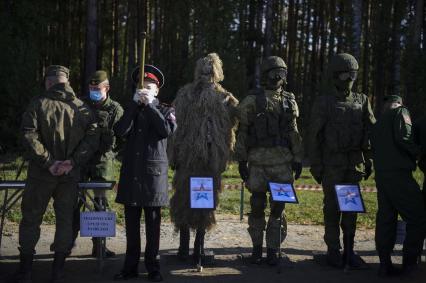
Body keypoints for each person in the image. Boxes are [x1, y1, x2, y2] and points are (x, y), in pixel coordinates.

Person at [15, 65, 99, 283]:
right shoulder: (82, 108)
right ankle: (58, 271)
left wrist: (49, 162)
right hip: (69, 176)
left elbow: (28, 135)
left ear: (49, 82)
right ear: (66, 82)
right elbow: (92, 140)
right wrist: (72, 162)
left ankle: (25, 272)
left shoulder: (38, 104)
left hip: (41, 175)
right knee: (64, 221)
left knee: (31, 219)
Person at [168, 53, 238, 264]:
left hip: (203, 162)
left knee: (197, 202)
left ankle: (193, 249)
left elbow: (234, 122)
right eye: (206, 70)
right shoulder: (199, 96)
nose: (208, 74)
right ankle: (189, 249)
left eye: (210, 70)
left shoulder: (222, 98)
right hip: (195, 162)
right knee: (191, 202)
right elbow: (174, 126)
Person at [308, 53, 375, 268]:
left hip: (353, 164)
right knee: (332, 209)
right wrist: (316, 165)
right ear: (335, 76)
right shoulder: (324, 103)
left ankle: (349, 250)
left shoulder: (362, 100)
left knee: (351, 208)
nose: (349, 79)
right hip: (332, 165)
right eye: (345, 74)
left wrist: (368, 159)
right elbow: (314, 136)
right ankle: (333, 251)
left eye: (352, 75)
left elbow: (371, 130)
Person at [235, 56, 303, 265]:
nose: (277, 77)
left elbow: (293, 132)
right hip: (258, 163)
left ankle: (273, 250)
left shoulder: (289, 100)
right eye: (273, 73)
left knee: (278, 207)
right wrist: (241, 160)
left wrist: (298, 158)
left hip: (282, 163)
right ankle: (257, 250)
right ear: (265, 75)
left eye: (280, 73)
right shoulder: (251, 101)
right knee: (257, 204)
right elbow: (243, 133)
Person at [113, 64, 176, 282]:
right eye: (141, 87)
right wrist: (133, 105)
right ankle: (129, 267)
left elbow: (165, 131)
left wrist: (150, 106)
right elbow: (120, 131)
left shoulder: (167, 110)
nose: (145, 90)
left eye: (149, 87)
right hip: (132, 176)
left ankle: (153, 268)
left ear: (156, 91)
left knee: (153, 228)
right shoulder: (131, 109)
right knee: (131, 228)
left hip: (153, 178)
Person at [69, 70, 123, 257]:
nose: (93, 91)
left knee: (101, 203)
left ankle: (99, 246)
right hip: (81, 160)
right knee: (75, 201)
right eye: (91, 88)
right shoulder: (80, 104)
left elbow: (120, 137)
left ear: (106, 88)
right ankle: (67, 242)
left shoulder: (115, 109)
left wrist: (111, 150)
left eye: (97, 88)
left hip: (102, 162)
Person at [372, 95, 426, 277]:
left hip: (382, 177)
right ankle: (410, 264)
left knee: (386, 219)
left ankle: (384, 264)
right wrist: (418, 153)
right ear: (398, 104)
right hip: (399, 175)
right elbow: (404, 137)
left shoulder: (378, 124)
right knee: (418, 216)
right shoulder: (401, 112)